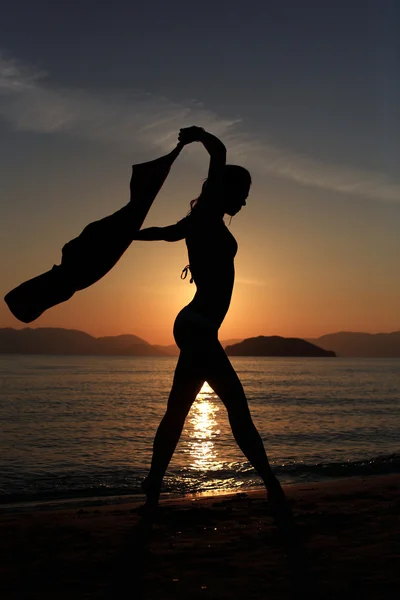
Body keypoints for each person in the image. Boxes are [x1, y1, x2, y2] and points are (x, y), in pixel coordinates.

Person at [133, 126, 287, 516]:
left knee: (179, 409)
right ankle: (272, 486)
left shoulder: (203, 219)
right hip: (198, 325)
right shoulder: (203, 215)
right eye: (244, 194)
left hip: (195, 325)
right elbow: (218, 153)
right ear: (226, 189)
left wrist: (132, 235)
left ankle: (152, 487)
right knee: (236, 406)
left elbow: (166, 233)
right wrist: (199, 135)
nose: (246, 202)